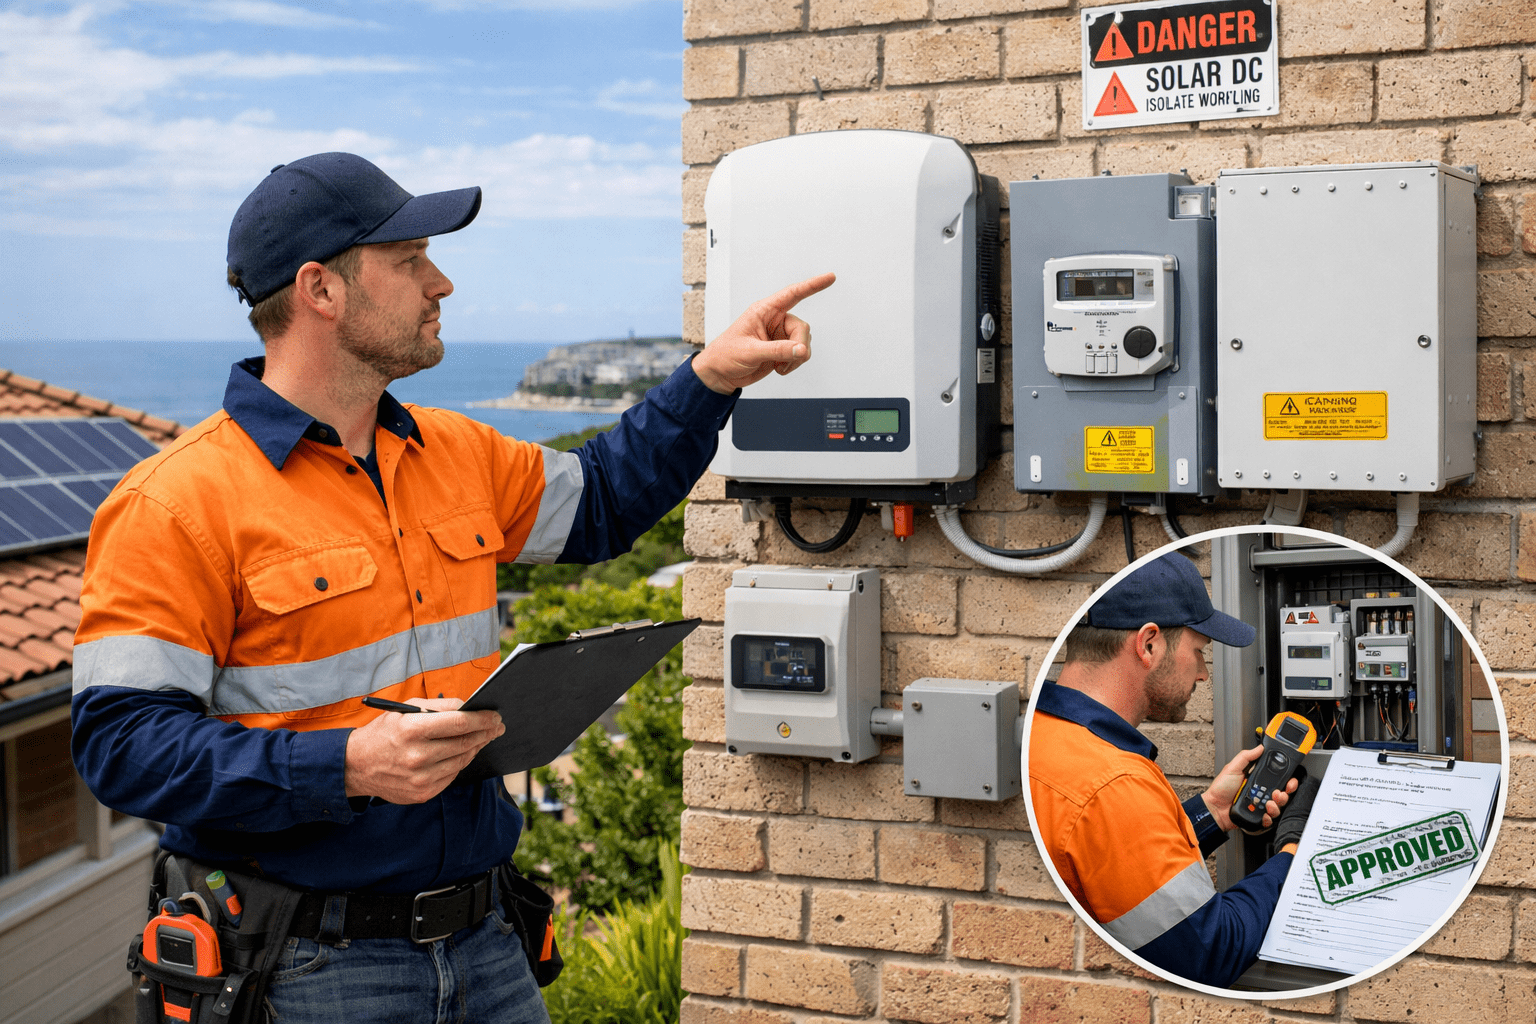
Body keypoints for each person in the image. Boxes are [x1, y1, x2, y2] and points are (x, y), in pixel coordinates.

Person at [70, 152, 834, 1024]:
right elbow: (121, 748)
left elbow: (604, 504)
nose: (442, 283)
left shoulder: (454, 452)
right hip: (307, 970)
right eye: (410, 261)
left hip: (486, 946)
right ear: (321, 289)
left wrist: (711, 378)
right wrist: (346, 765)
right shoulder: (173, 504)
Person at [1028, 552, 1318, 989]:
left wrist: (1214, 812)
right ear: (1148, 645)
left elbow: (1113, 866)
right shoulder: (1115, 785)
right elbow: (1210, 951)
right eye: (1199, 652)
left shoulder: (1046, 732)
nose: (1203, 674)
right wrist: (1295, 853)